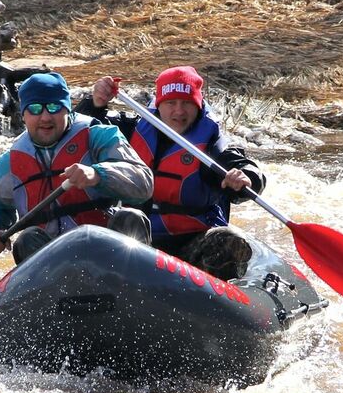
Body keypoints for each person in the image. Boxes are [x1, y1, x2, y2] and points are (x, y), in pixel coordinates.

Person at [77, 66, 265, 281]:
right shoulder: (131, 129)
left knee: (228, 240)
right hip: (139, 242)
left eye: (186, 103)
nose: (179, 111)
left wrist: (246, 177)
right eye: (171, 103)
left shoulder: (213, 144)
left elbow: (244, 167)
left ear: (198, 105)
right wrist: (95, 103)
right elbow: (79, 131)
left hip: (192, 243)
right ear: (159, 105)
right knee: (124, 218)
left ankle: (210, 307)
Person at [0, 71, 155, 264]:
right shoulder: (11, 161)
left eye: (53, 107)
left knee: (130, 217)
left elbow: (144, 182)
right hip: (55, 266)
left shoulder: (98, 136)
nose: (45, 117)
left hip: (107, 254)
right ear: (23, 115)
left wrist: (98, 174)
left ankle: (138, 289)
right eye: (35, 109)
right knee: (27, 238)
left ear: (67, 109)